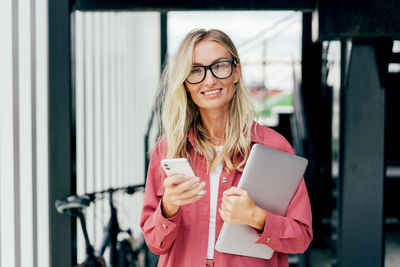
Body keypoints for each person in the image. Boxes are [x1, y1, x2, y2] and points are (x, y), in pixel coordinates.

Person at [140, 28, 312, 267]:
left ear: (236, 71)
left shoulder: (273, 147)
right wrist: (168, 206)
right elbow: (154, 242)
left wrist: (256, 217)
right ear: (185, 83)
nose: (209, 80)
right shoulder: (168, 149)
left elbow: (301, 238)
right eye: (196, 71)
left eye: (219, 66)